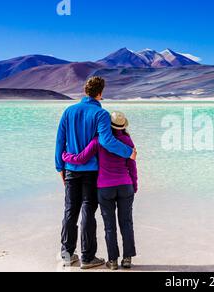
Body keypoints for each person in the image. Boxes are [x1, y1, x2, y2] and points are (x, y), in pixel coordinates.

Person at [55, 77, 137, 270]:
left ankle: (67, 255)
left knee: (70, 211)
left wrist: (60, 166)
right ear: (100, 93)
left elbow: (60, 141)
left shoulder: (68, 111)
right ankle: (87, 257)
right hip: (91, 172)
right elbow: (107, 141)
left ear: (85, 91)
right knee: (87, 211)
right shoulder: (101, 114)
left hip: (71, 169)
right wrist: (129, 152)